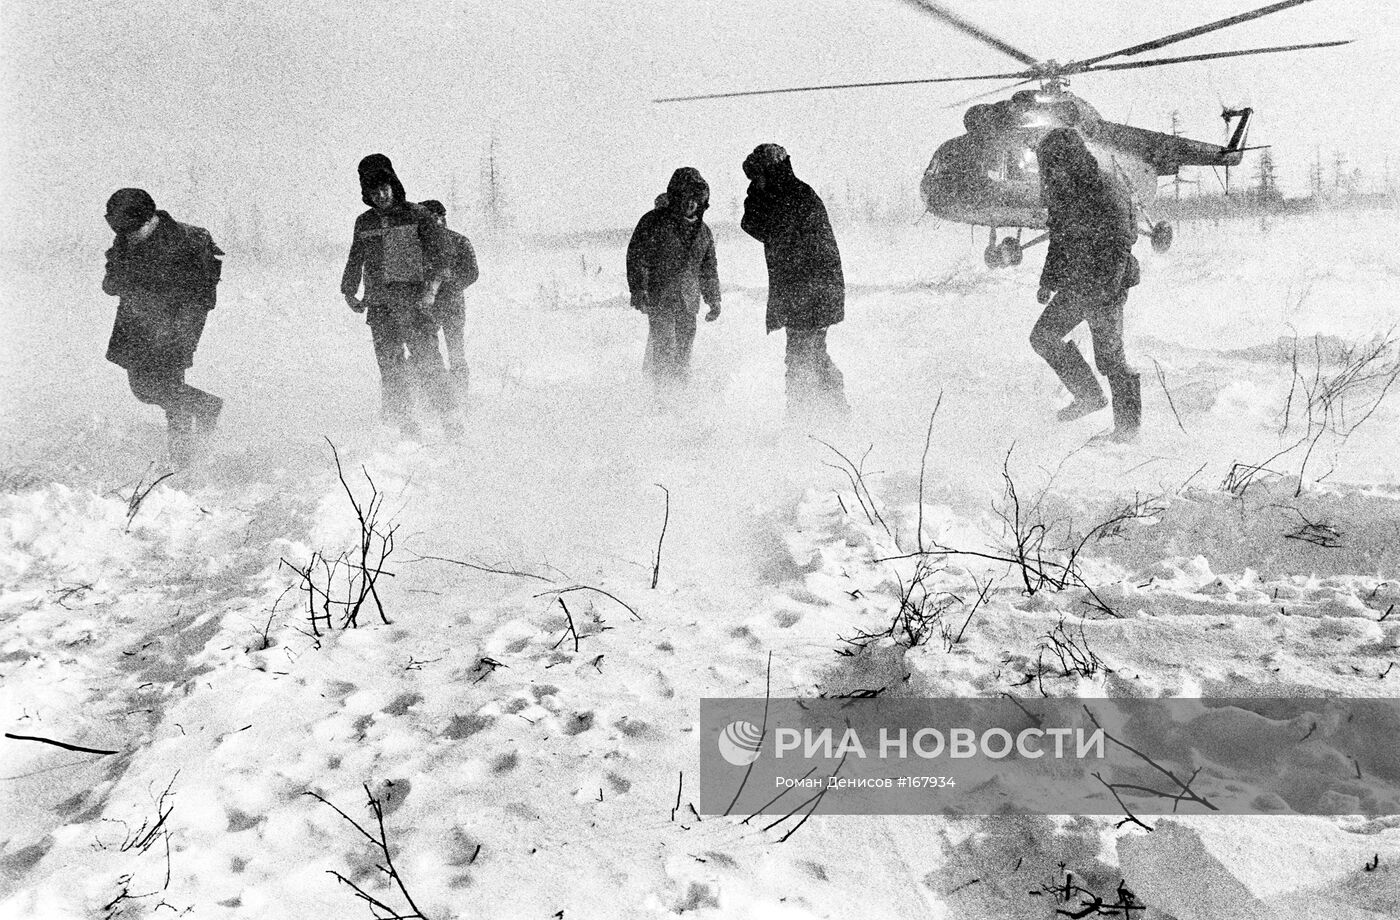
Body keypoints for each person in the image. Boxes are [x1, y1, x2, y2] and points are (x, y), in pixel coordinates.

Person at [1030, 128, 1142, 442]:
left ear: (1070, 160)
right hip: (1076, 285)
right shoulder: (1064, 190)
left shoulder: (1106, 188)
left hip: (1107, 285)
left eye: (1054, 164)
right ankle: (1089, 396)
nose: (1050, 173)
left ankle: (1128, 432)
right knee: (1043, 337)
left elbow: (1121, 244)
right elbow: (1059, 241)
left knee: (1111, 361)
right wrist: (1048, 281)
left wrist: (1105, 292)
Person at [341, 154, 461, 440]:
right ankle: (407, 425)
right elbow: (355, 259)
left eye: (384, 188)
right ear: (366, 193)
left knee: (428, 361)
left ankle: (451, 420)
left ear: (393, 185)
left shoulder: (417, 215)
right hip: (380, 307)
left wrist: (430, 292)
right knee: (391, 367)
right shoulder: (364, 223)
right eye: (373, 191)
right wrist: (349, 291)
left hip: (415, 305)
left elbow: (442, 257)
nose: (380, 195)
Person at [102, 188, 224, 466]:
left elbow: (200, 295)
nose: (122, 233)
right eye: (114, 225)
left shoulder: (183, 242)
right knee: (144, 389)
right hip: (138, 323)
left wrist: (179, 333)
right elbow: (111, 283)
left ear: (148, 219)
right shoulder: (128, 237)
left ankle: (182, 461)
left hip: (176, 324)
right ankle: (205, 407)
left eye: (127, 227)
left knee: (169, 389)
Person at [739, 144, 848, 420]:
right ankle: (835, 413)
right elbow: (755, 225)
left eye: (757, 177)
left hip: (807, 293)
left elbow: (757, 225)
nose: (755, 183)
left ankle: (802, 421)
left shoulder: (789, 198)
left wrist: (756, 193)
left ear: (769, 173)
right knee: (813, 355)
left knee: (800, 359)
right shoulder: (796, 193)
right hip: (814, 291)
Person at [626, 167, 721, 397]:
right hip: (660, 298)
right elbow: (637, 256)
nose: (691, 203)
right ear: (676, 196)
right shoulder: (654, 222)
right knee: (664, 349)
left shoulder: (704, 232)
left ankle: (680, 400)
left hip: (688, 302)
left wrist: (714, 299)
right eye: (686, 197)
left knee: (683, 352)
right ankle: (660, 401)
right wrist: (639, 289)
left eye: (696, 199)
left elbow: (708, 269)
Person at [419, 199, 479, 394]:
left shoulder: (460, 241)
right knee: (428, 350)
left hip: (452, 304)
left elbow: (472, 273)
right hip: (428, 306)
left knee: (455, 351)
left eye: (433, 217)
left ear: (441, 217)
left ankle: (460, 394)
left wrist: (448, 284)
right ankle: (438, 395)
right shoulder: (418, 245)